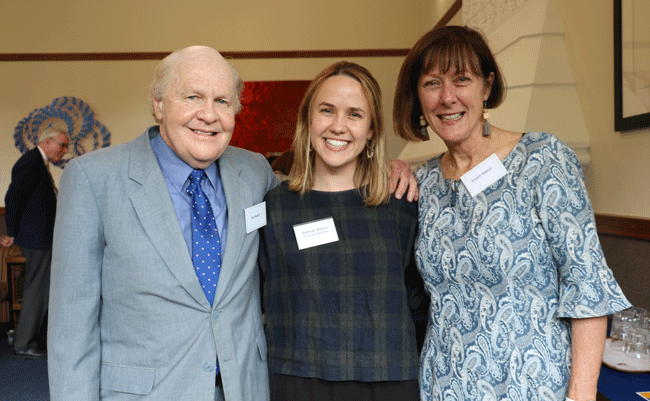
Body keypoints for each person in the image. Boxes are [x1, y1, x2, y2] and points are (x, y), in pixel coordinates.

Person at [47, 46, 416, 401]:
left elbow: (323, 191)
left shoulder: (253, 172)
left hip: (246, 388)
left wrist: (386, 168)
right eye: (192, 97)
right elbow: (70, 330)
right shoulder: (93, 179)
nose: (208, 114)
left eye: (222, 101)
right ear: (158, 103)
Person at [393, 26, 631, 401]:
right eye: (432, 83)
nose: (447, 97)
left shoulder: (541, 160)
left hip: (532, 386)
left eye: (462, 79)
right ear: (417, 96)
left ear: (487, 87)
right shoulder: (422, 184)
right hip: (443, 386)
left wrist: (581, 395)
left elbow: (588, 286)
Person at [259, 61, 429, 401]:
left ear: (371, 131)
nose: (338, 126)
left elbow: (421, 304)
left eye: (354, 114)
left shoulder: (401, 203)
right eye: (327, 110)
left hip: (389, 380)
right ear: (308, 120)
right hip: (296, 380)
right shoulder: (273, 208)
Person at [2, 126, 69, 359]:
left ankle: (27, 337)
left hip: (41, 237)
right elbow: (12, 197)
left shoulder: (38, 163)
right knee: (36, 291)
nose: (65, 150)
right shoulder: (30, 161)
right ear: (47, 142)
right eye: (62, 145)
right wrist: (11, 232)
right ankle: (24, 343)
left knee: (40, 290)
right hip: (36, 238)